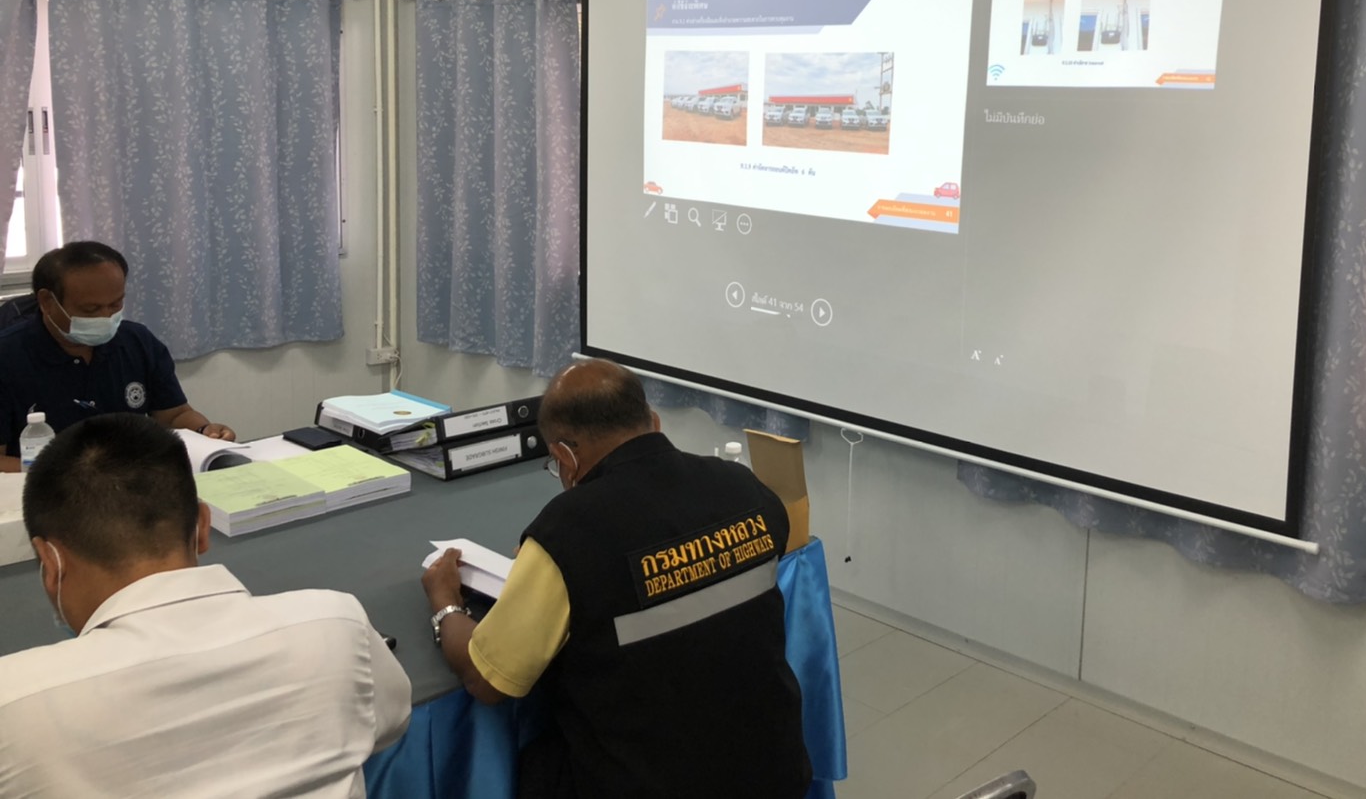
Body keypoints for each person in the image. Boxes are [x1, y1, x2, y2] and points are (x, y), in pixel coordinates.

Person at [421, 359, 812, 799]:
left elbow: (485, 681)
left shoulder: (568, 532)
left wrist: (445, 602)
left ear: (565, 457)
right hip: (773, 773)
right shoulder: (744, 486)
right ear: (654, 422)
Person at [0, 413, 411, 798]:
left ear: (50, 562)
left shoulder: (15, 702)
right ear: (201, 526)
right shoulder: (338, 628)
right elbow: (391, 723)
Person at [0, 241, 235, 472]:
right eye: (91, 309)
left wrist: (205, 431)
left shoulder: (137, 341)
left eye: (115, 304)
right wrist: (72, 472)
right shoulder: (8, 356)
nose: (106, 317)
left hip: (131, 480)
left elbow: (174, 415)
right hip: (45, 487)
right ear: (47, 302)